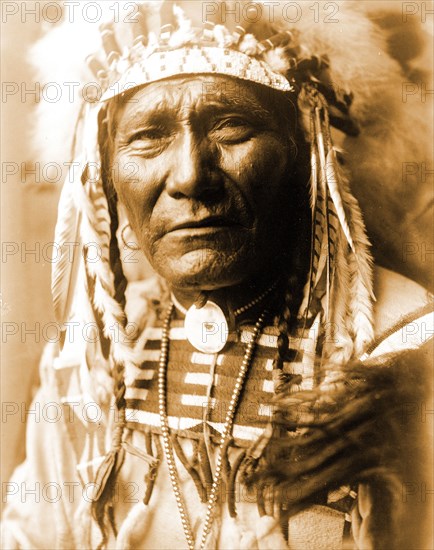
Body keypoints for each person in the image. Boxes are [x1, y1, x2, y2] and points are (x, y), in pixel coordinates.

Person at [2, 1, 433, 549]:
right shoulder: (94, 363)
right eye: (148, 135)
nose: (189, 177)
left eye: (231, 127)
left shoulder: (403, 346)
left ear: (306, 151)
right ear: (109, 178)